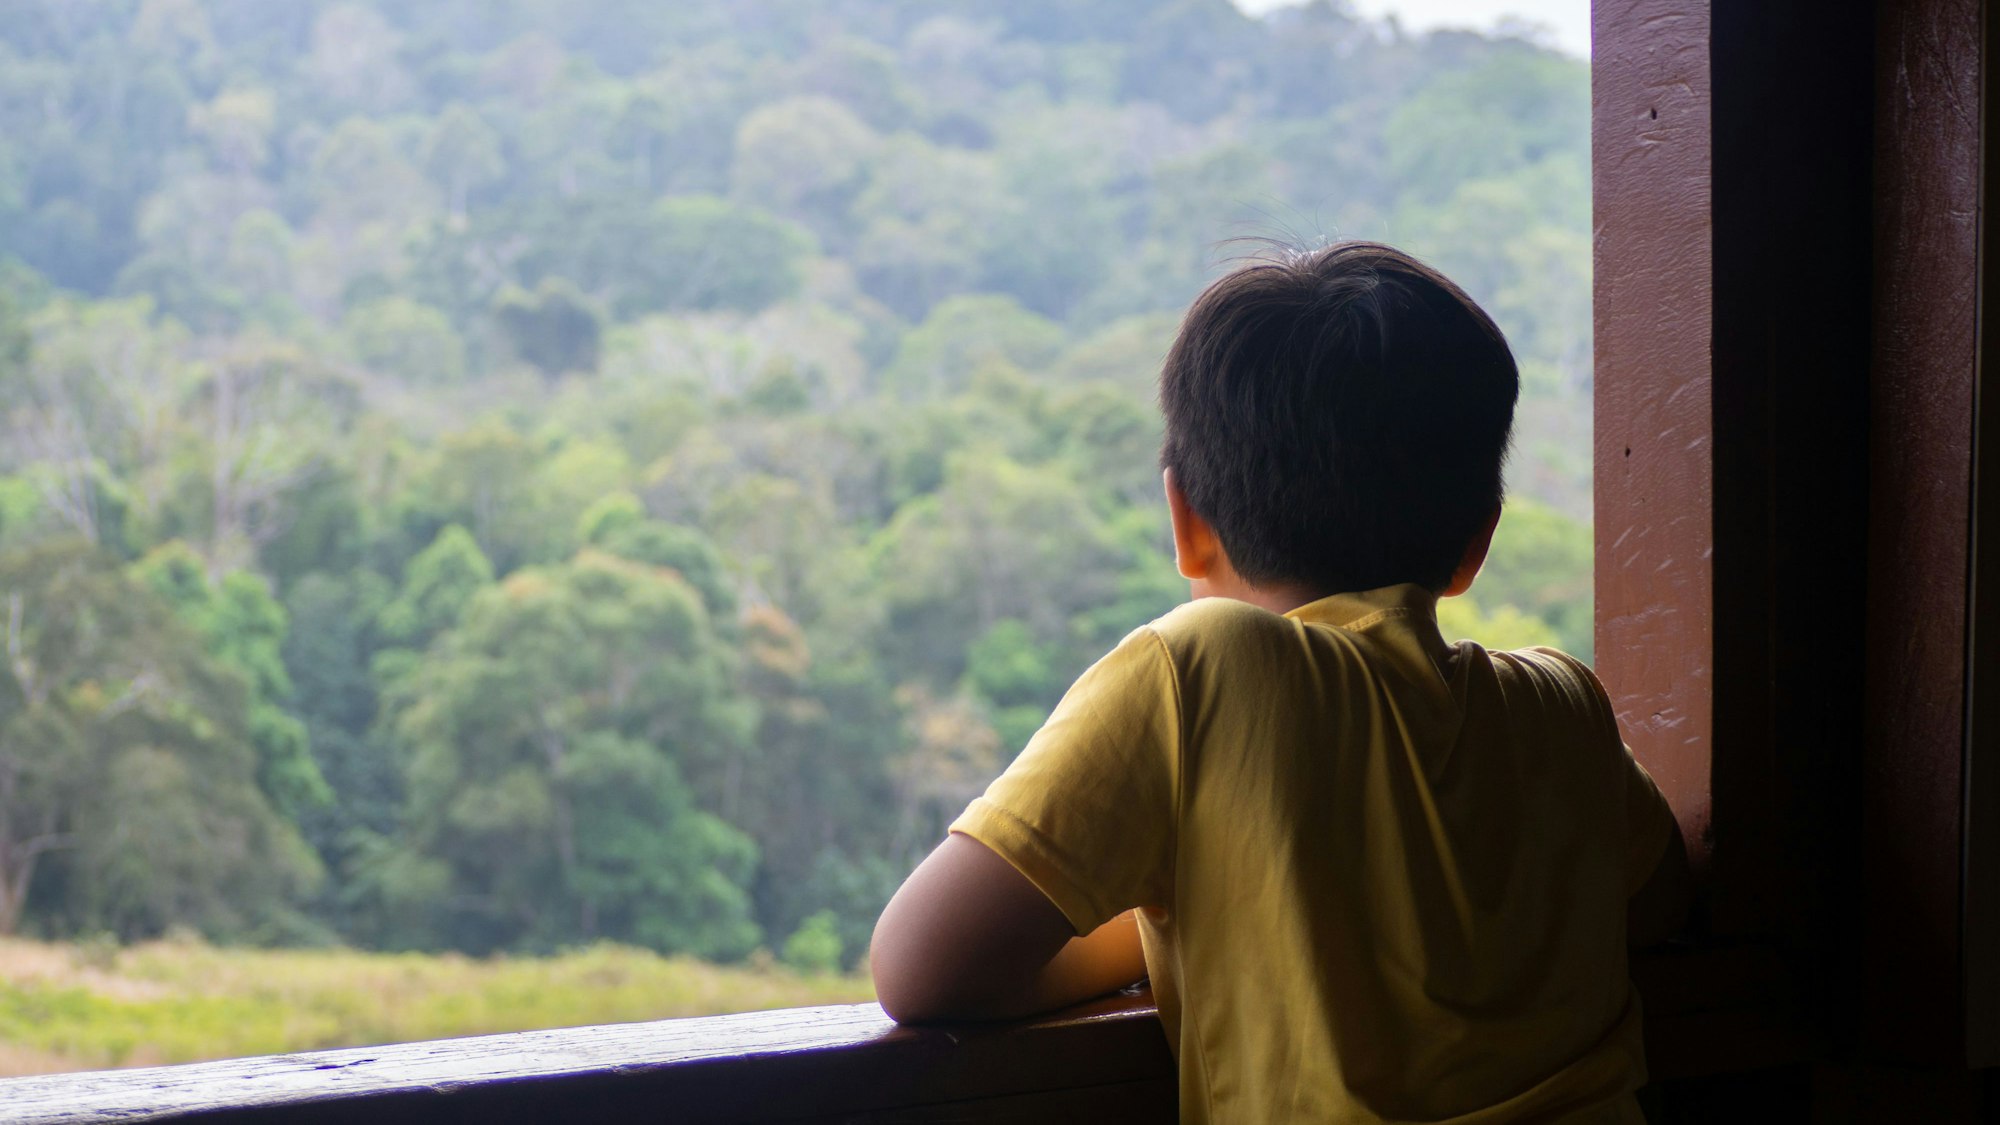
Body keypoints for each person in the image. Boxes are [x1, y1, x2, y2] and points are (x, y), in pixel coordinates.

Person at [868, 241, 1692, 1123]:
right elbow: (1660, 905)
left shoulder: (1202, 668)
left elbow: (920, 966)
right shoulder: (1561, 703)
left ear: (1185, 520)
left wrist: (1166, 916)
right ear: (1475, 544)